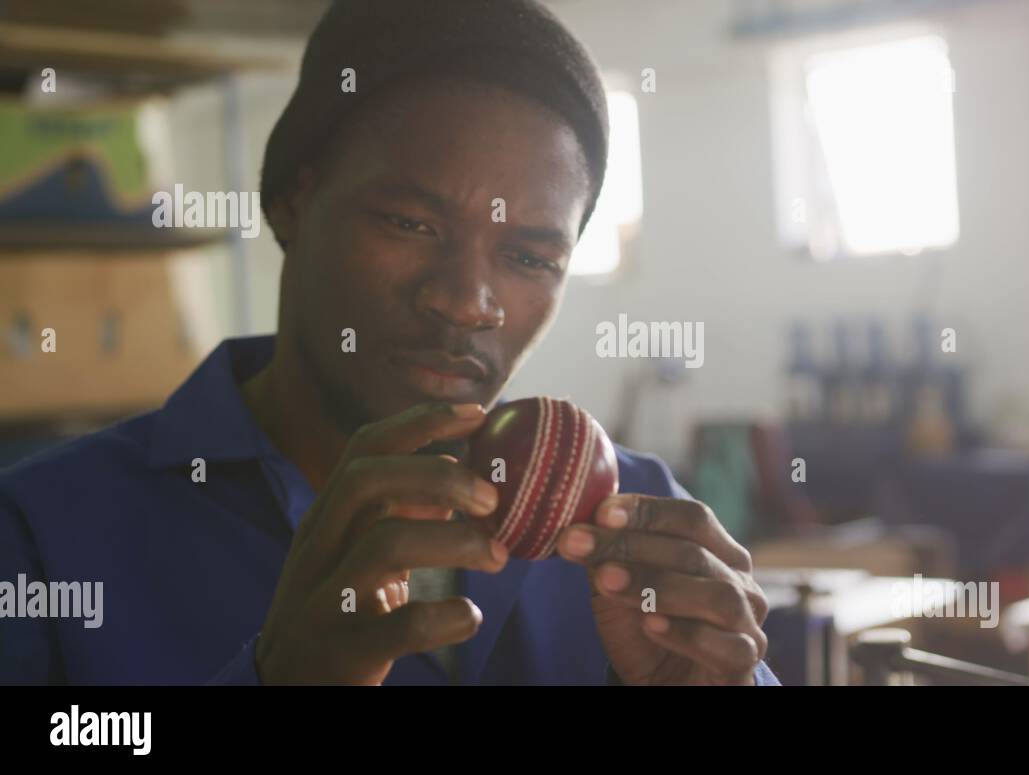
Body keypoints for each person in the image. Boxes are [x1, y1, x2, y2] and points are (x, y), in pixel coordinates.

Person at [0, 0, 776, 686]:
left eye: (530, 257)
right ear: (295, 200)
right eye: (411, 223)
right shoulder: (42, 534)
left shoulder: (636, 532)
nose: (465, 301)